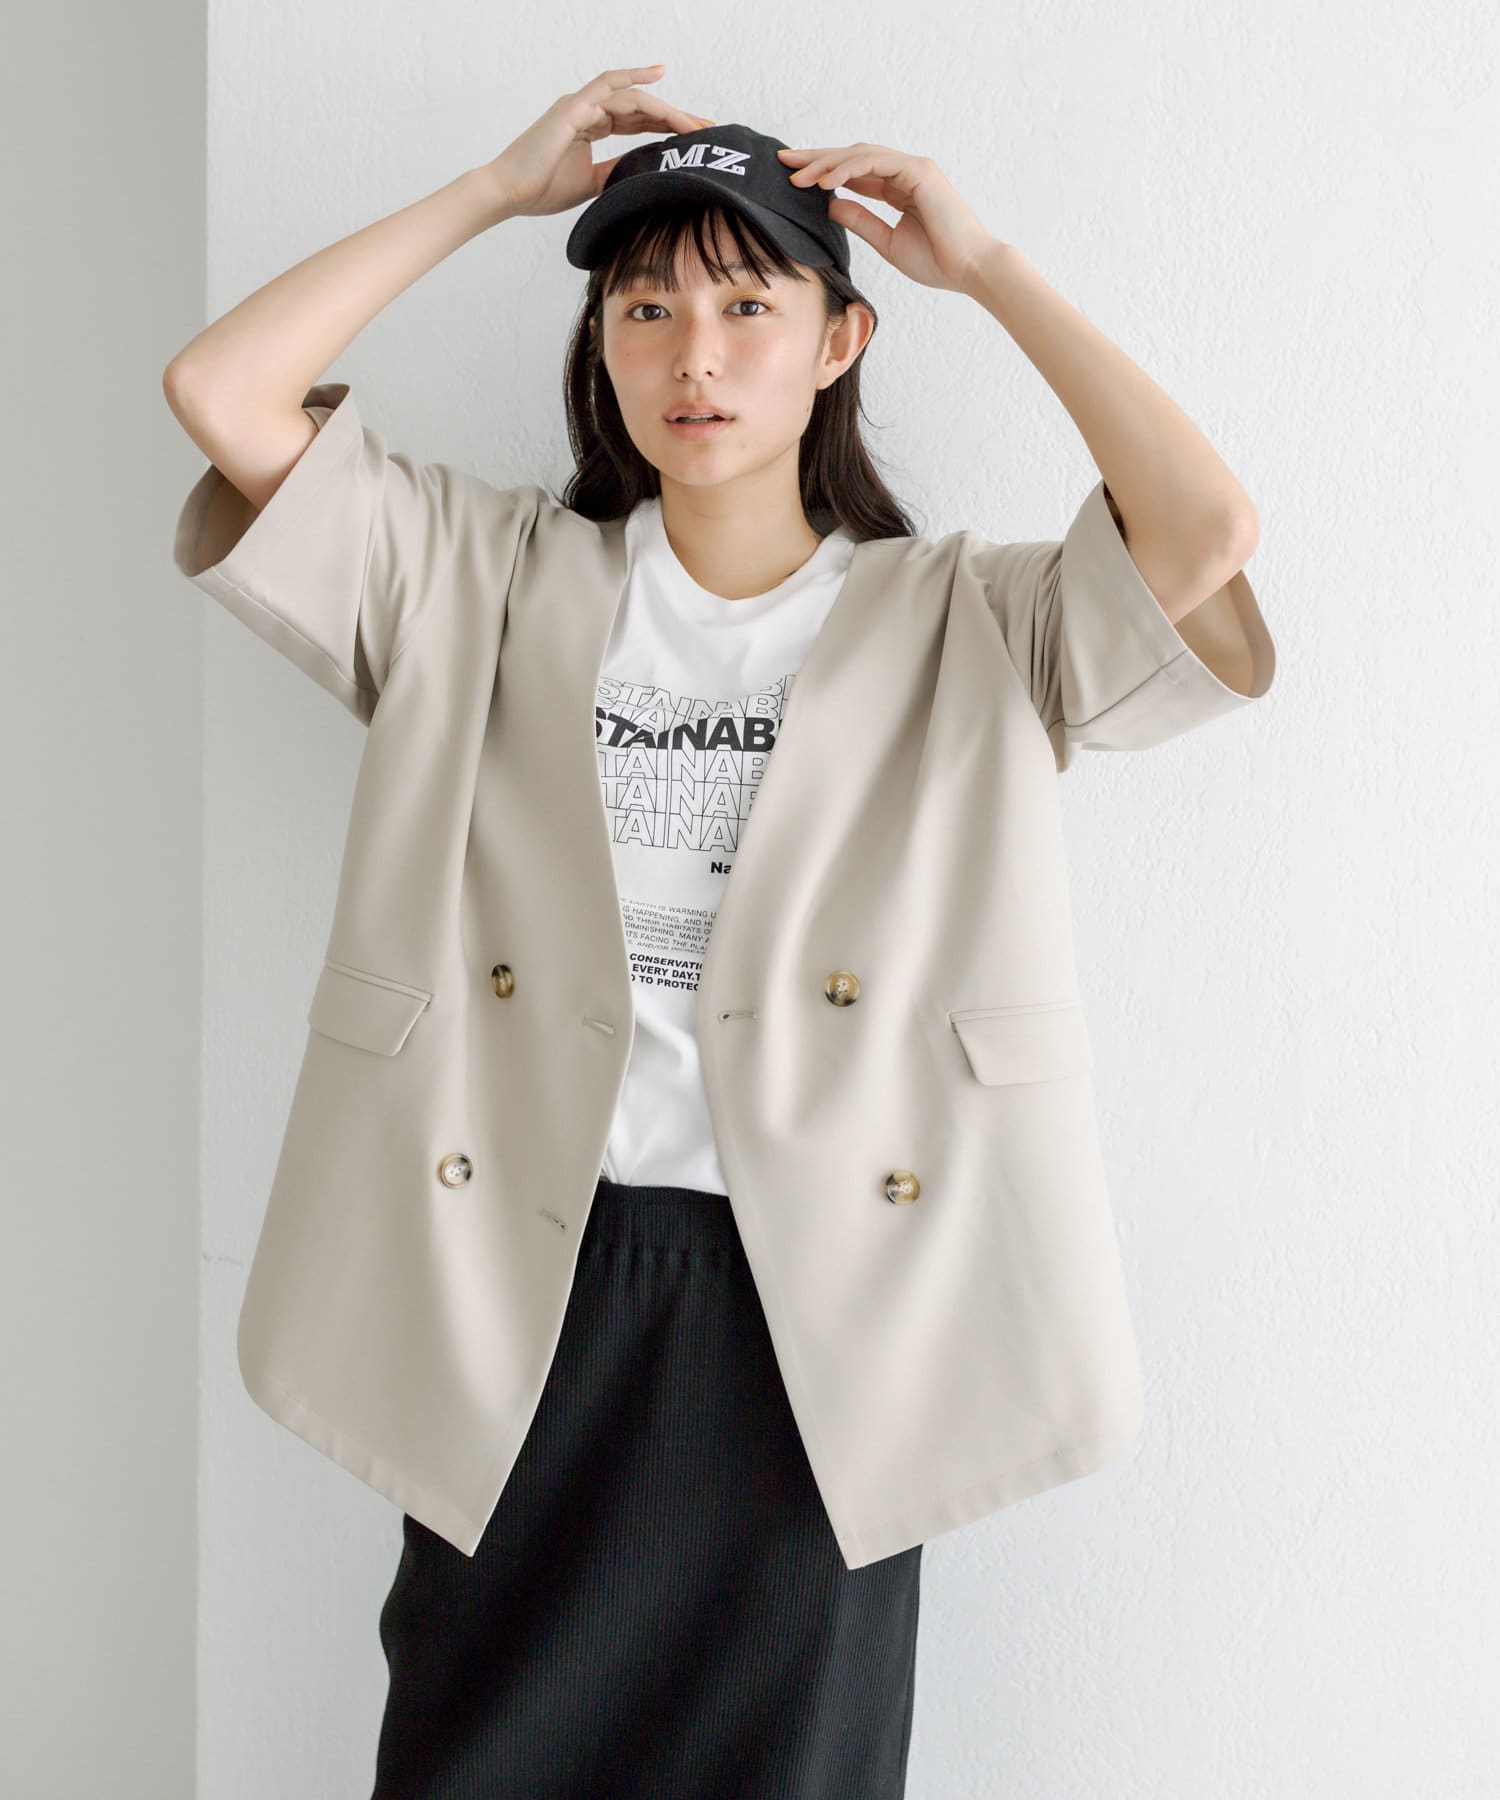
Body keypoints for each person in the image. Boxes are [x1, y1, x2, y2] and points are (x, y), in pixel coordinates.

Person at [163, 63, 1272, 1800]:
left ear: (840, 342)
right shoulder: (475, 577)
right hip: (516, 1282)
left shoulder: (962, 624)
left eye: (751, 305)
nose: (696, 353)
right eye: (646, 305)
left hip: (828, 1311)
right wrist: (491, 190)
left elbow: (1206, 532)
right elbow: (219, 392)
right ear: (601, 345)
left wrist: (985, 266)